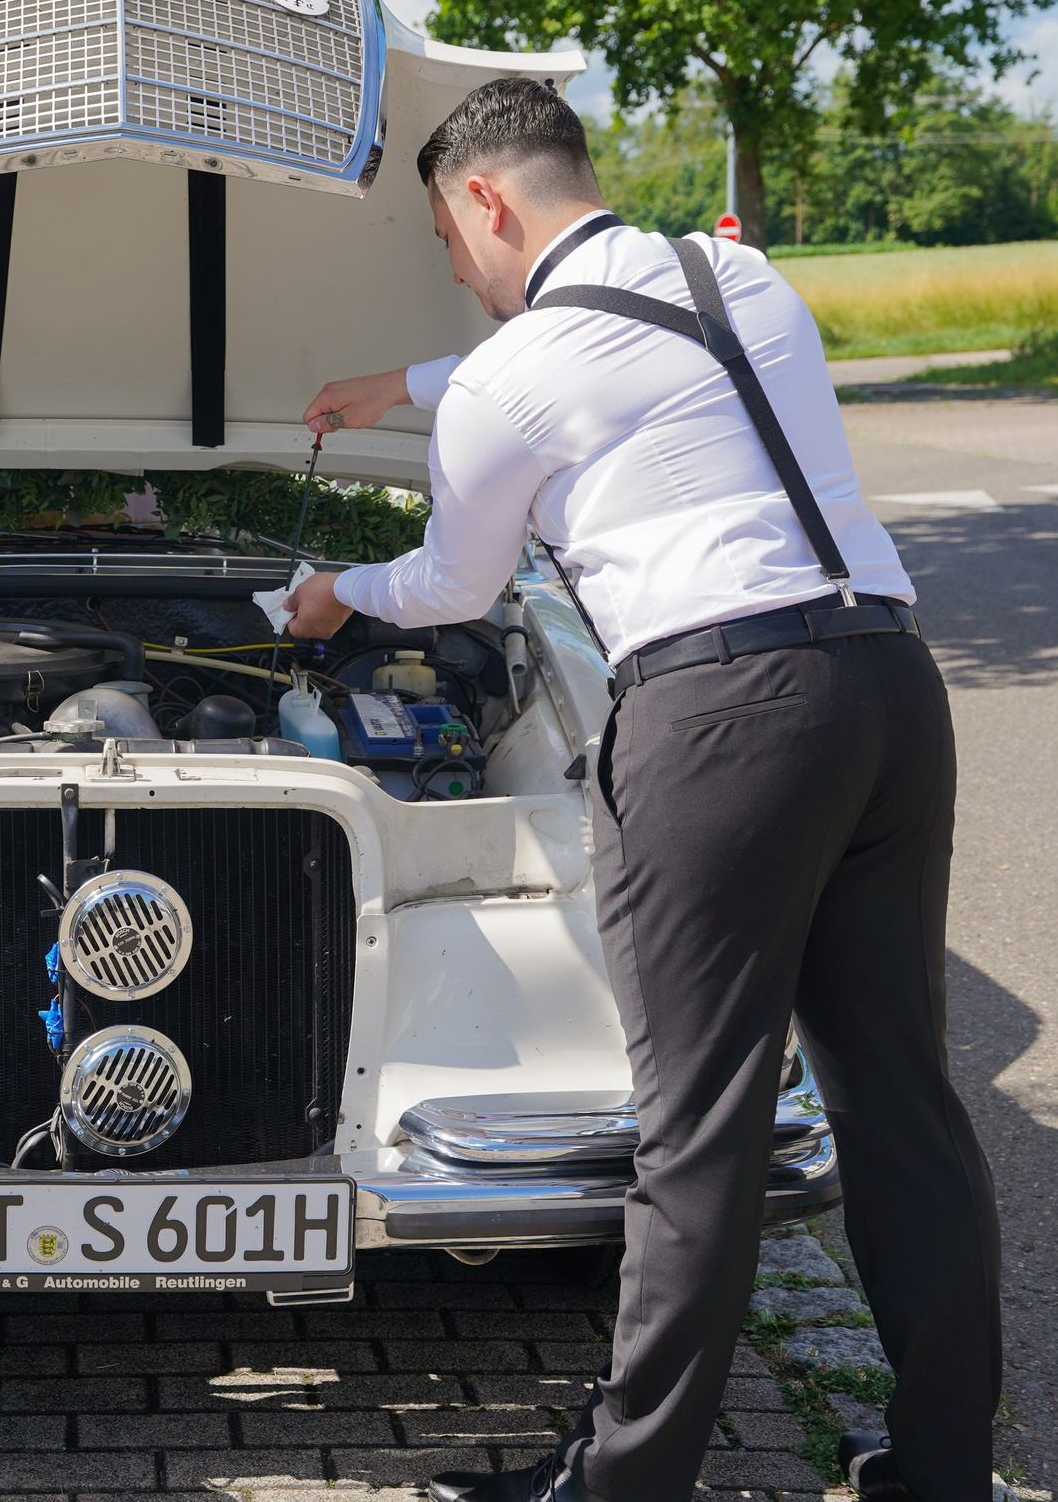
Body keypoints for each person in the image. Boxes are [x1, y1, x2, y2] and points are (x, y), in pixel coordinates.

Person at [284, 78, 1004, 1502]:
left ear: (484, 201)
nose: (458, 274)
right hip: (887, 686)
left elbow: (452, 586)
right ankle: (941, 1475)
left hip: (722, 720)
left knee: (697, 1127)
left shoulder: (508, 375)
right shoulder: (735, 271)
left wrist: (330, 596)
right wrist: (402, 385)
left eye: (445, 239)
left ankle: (622, 1489)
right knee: (902, 1100)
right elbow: (612, 355)